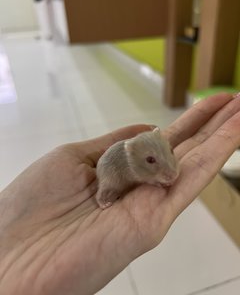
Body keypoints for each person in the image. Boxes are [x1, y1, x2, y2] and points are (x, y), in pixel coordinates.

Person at [0, 93, 240, 295]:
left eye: (169, 152)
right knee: (111, 186)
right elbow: (138, 174)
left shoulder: (152, 152)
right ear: (133, 153)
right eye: (151, 161)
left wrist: (159, 175)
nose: (170, 169)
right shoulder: (128, 158)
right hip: (110, 174)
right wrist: (153, 179)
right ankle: (102, 198)